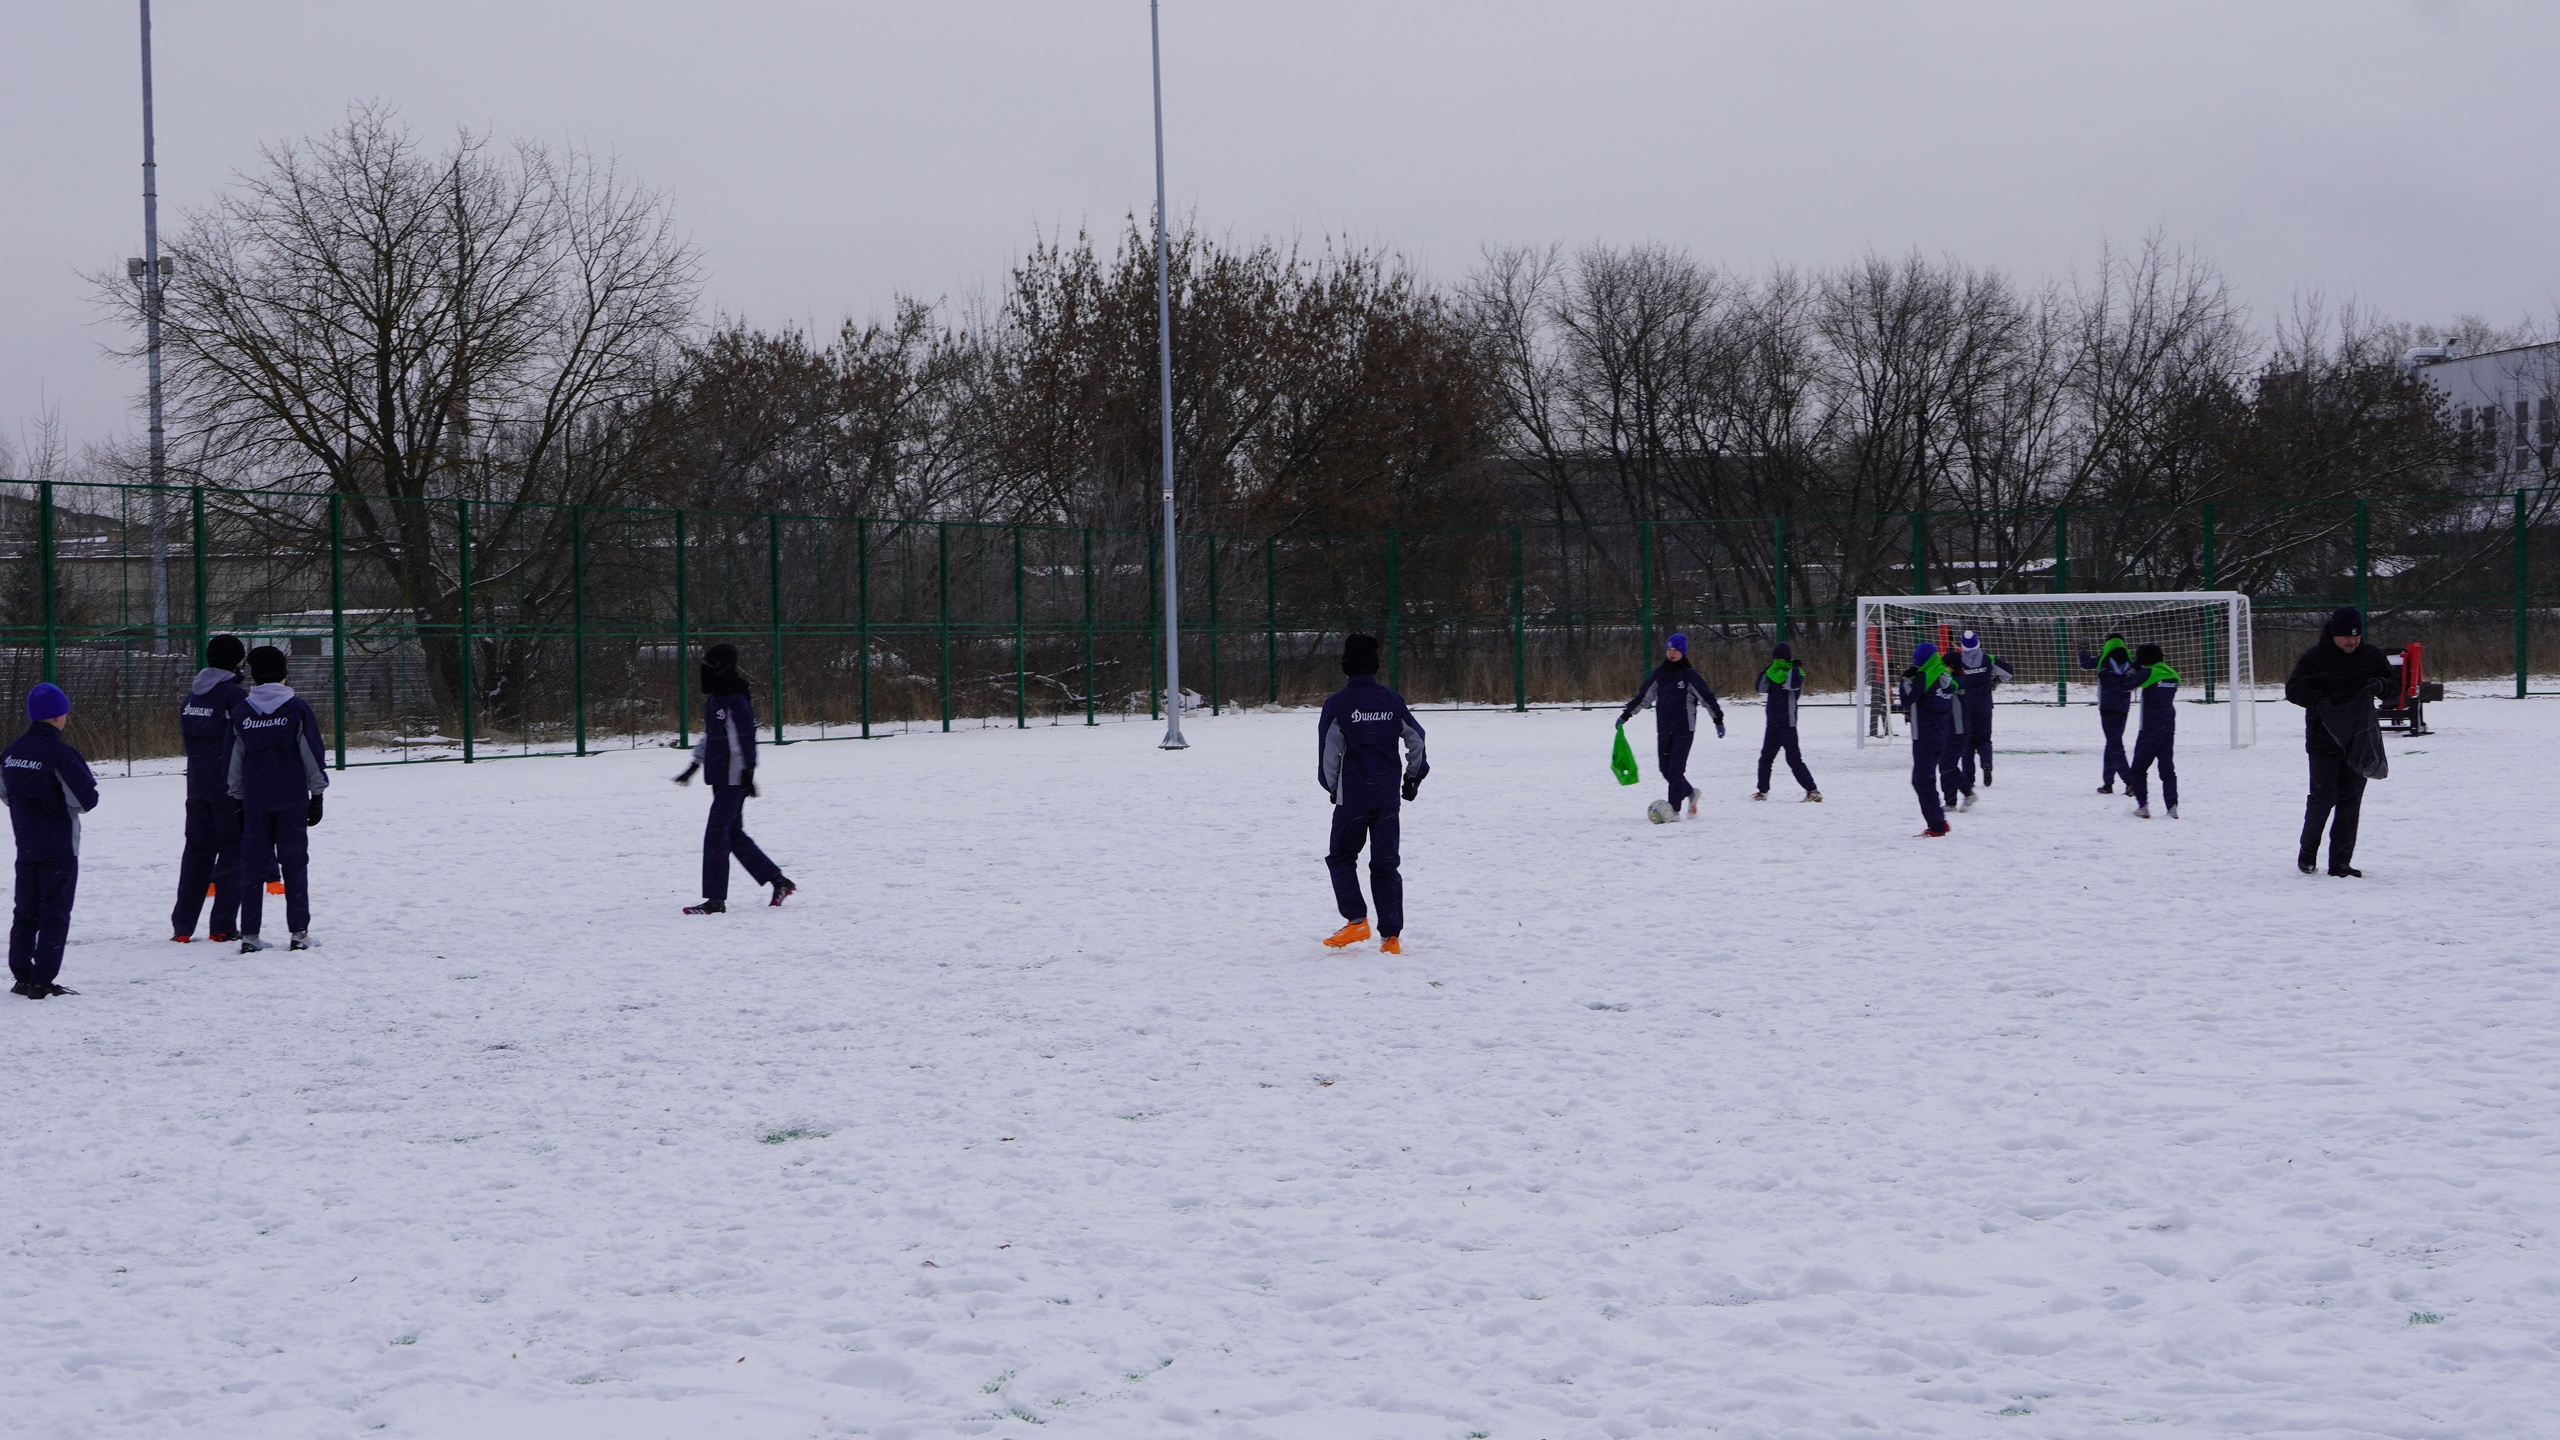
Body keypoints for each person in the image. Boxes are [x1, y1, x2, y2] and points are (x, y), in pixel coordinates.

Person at [1317, 633, 1427, 954]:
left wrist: (1332, 787)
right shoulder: (1392, 701)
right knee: (1385, 864)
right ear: (1375, 666)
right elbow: (1416, 741)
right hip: (1387, 797)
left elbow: (1329, 756)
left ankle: (1356, 920)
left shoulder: (1338, 705)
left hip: (1352, 797)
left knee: (1340, 856)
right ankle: (1391, 937)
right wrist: (1412, 778)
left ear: (1346, 666)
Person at [675, 642, 795, 913]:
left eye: (708, 666)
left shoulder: (736, 700)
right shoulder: (715, 699)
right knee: (733, 834)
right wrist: (694, 766)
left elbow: (745, 740)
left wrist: (747, 773)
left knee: (716, 835)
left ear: (720, 667)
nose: (703, 671)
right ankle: (779, 881)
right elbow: (712, 737)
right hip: (719, 777)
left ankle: (715, 901)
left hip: (734, 780)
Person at [229, 646, 329, 952]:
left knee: (253, 867)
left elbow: (233, 758)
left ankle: (249, 936)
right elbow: (310, 753)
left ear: (254, 676)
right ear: (285, 673)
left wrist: (236, 797)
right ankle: (299, 933)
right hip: (291, 798)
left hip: (256, 800)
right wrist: (318, 793)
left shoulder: (243, 711)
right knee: (295, 864)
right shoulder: (296, 708)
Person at [2285, 606, 2393, 876]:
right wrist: (2320, 700)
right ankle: (2307, 854)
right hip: (2323, 740)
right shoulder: (2314, 657)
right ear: (2333, 633)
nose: (2352, 641)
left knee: (2350, 800)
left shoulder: (2371, 655)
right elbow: (2294, 689)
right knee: (2323, 798)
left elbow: (2395, 683)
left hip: (2360, 739)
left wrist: (2381, 686)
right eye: (2346, 636)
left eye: (2356, 635)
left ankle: (2341, 863)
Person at [6, 684, 98, 999]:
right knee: (55, 913)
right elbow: (86, 800)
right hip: (59, 846)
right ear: (59, 716)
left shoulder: (12, 751)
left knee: (26, 911)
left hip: (26, 845)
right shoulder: (61, 754)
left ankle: (22, 974)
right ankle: (43, 979)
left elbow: (6, 793)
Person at [173, 634, 249, 943]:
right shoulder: (233, 696)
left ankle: (182, 928)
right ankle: (222, 926)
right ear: (236, 661)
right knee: (234, 853)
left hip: (196, 789)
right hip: (227, 791)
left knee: (196, 856)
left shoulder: (192, 698)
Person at [1616, 632, 1725, 819]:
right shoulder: (1660, 673)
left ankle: (1674, 811)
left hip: (1684, 729)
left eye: (1676, 650)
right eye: (1669, 649)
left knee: (1676, 770)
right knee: (1665, 769)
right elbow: (1644, 696)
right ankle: (1690, 792)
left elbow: (1707, 698)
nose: (1672, 653)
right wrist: (1626, 714)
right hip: (1664, 728)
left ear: (1683, 652)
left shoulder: (1689, 675)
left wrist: (1718, 719)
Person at [1898, 642, 1959, 837]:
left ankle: (1937, 826)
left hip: (1924, 737)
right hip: (1940, 735)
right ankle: (1939, 821)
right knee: (1927, 779)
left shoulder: (1924, 680)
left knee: (1921, 781)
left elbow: (1907, 699)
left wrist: (1905, 681)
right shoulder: (1944, 676)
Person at [1948, 629, 2013, 808]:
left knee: (1966, 744)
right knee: (1984, 739)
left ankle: (1969, 778)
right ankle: (1986, 764)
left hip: (1965, 707)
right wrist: (1994, 682)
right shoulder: (1988, 659)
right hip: (1984, 707)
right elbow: (2008, 672)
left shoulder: (1958, 662)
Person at [1751, 641, 1821, 802]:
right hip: (1773, 724)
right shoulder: (1773, 673)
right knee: (1766, 758)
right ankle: (1762, 791)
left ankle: (1812, 790)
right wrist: (1768, 669)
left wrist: (1794, 668)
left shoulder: (1794, 673)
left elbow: (1793, 685)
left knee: (1793, 759)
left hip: (1787, 724)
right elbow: (1760, 687)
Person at [2122, 642, 2180, 820]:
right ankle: (2172, 806)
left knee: (2138, 769)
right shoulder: (2172, 674)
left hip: (2149, 729)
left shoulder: (2148, 673)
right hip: (2168, 727)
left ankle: (2143, 806)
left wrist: (2133, 669)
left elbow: (2126, 685)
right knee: (2167, 769)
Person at [2077, 632, 2139, 793]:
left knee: (2115, 745)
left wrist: (2083, 649)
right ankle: (2108, 783)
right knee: (2112, 743)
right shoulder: (2130, 662)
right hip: (2124, 708)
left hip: (2107, 708)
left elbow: (2084, 664)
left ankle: (2130, 782)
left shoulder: (2103, 659)